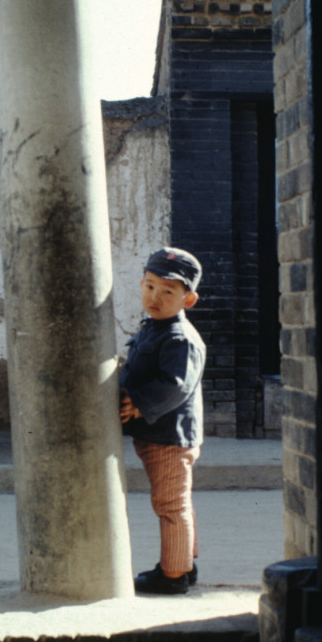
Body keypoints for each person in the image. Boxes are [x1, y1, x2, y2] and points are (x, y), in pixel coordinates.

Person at [118, 247, 207, 595]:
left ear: (189, 299)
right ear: (142, 283)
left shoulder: (179, 338)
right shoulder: (154, 328)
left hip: (170, 437)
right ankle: (185, 563)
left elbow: (176, 385)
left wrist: (139, 404)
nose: (155, 297)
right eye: (150, 286)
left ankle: (172, 575)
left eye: (168, 291)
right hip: (159, 435)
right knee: (177, 500)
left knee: (170, 505)